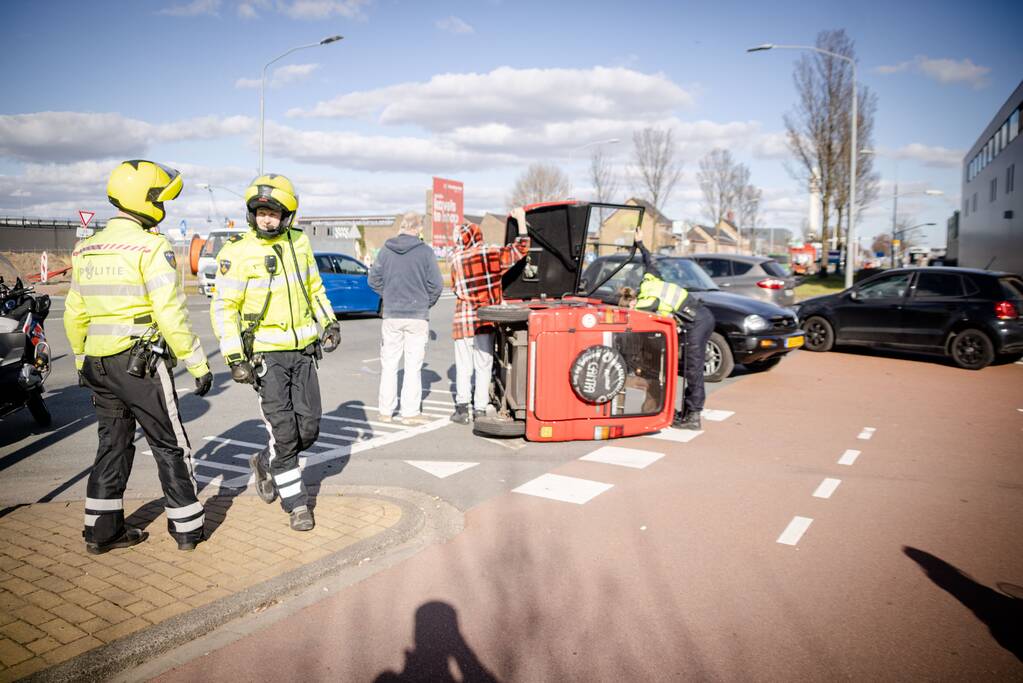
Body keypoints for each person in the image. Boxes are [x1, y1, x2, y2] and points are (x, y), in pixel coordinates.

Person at [64, 160, 213, 554]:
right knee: (169, 443)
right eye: (161, 199)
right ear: (147, 201)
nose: (165, 207)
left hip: (98, 363)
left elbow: (74, 311)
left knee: (111, 445)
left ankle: (101, 532)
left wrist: (81, 358)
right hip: (139, 362)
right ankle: (187, 530)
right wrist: (197, 362)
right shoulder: (151, 245)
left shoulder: (86, 247)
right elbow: (171, 313)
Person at [210, 174, 341, 532]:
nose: (266, 219)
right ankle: (297, 504)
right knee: (284, 433)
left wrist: (328, 322)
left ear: (288, 215)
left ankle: (267, 463)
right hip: (266, 357)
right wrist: (235, 358)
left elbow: (313, 287)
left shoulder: (299, 242)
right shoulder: (236, 253)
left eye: (273, 213)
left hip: (303, 351)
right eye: (260, 212)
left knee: (309, 429)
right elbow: (225, 309)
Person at [448, 209, 530, 424]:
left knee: (463, 366)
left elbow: (456, 287)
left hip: (463, 318)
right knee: (483, 365)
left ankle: (462, 409)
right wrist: (521, 220)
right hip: (485, 319)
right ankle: (480, 409)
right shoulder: (491, 253)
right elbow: (520, 248)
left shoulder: (454, 258)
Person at [633, 229, 715, 430]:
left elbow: (639, 322)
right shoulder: (653, 279)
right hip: (703, 316)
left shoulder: (645, 302)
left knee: (692, 369)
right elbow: (649, 261)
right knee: (689, 367)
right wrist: (640, 244)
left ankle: (693, 417)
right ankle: (687, 412)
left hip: (695, 322)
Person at [368, 212, 443, 424]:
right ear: (418, 229)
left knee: (389, 365)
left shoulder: (386, 250)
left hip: (391, 315)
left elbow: (373, 280)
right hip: (417, 316)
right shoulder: (426, 252)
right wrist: (424, 302)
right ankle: (409, 413)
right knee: (412, 366)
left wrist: (389, 295)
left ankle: (385, 411)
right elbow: (436, 285)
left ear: (402, 226)